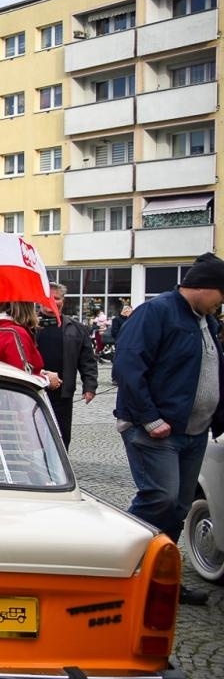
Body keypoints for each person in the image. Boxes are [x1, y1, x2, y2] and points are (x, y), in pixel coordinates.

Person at [114, 254, 224, 606]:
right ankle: (113, 565)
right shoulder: (157, 311)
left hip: (194, 432)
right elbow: (128, 366)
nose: (222, 301)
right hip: (155, 430)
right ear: (206, 288)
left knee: (177, 507)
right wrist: (150, 418)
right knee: (158, 498)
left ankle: (160, 580)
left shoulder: (208, 321)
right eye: (222, 293)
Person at [35, 283, 98, 447]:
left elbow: (87, 360)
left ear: (63, 301)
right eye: (48, 298)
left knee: (61, 436)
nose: (52, 302)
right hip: (33, 389)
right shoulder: (28, 325)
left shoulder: (76, 328)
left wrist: (90, 386)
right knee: (34, 435)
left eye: (56, 298)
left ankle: (59, 469)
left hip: (63, 393)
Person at [0, 301, 62, 391]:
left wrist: (42, 373)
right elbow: (21, 377)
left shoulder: (2, 328)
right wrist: (47, 380)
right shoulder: (15, 333)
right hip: (12, 398)